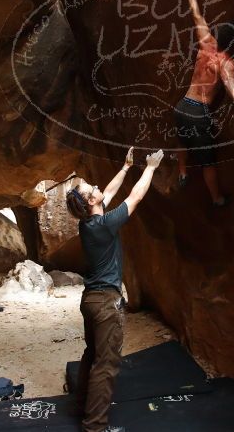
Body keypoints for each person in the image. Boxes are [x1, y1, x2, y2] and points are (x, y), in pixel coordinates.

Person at [65, 146, 164, 432]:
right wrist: (151, 168)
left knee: (91, 355)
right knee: (106, 365)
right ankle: (95, 425)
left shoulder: (89, 223)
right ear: (89, 201)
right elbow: (135, 197)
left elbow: (107, 193)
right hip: (106, 304)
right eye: (90, 189)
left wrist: (125, 166)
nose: (96, 187)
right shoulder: (105, 225)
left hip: (90, 301)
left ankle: (81, 405)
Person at [174, 0, 234, 206]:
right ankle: (216, 198)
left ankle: (183, 172)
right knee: (208, 162)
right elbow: (228, 81)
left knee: (183, 141)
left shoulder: (206, 42)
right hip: (198, 112)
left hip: (182, 105)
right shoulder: (226, 61)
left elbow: (196, 14)